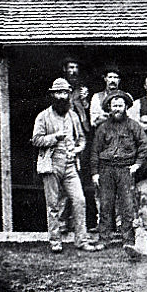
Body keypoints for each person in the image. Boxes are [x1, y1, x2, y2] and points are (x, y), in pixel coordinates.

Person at [31, 78, 102, 253]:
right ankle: (55, 241)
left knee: (79, 200)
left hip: (70, 165)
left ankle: (81, 240)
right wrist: (55, 137)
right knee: (54, 205)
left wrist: (77, 149)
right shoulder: (43, 116)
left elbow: (82, 139)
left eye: (65, 93)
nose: (62, 96)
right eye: (58, 93)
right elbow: (36, 140)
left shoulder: (73, 115)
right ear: (53, 95)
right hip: (51, 163)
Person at [90, 90, 147, 246]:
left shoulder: (133, 126)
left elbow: (145, 144)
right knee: (105, 205)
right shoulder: (102, 128)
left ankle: (128, 240)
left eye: (120, 105)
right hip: (106, 169)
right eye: (114, 105)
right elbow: (95, 151)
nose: (117, 108)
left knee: (127, 205)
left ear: (126, 107)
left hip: (125, 169)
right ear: (109, 107)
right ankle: (104, 239)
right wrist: (95, 173)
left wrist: (136, 165)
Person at [59, 56, 98, 232]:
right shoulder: (59, 90)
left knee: (80, 182)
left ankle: (79, 223)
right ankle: (62, 223)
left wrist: (84, 101)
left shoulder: (82, 90)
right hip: (63, 137)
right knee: (63, 181)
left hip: (80, 138)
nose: (73, 71)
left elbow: (86, 117)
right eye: (70, 67)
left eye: (75, 67)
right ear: (64, 70)